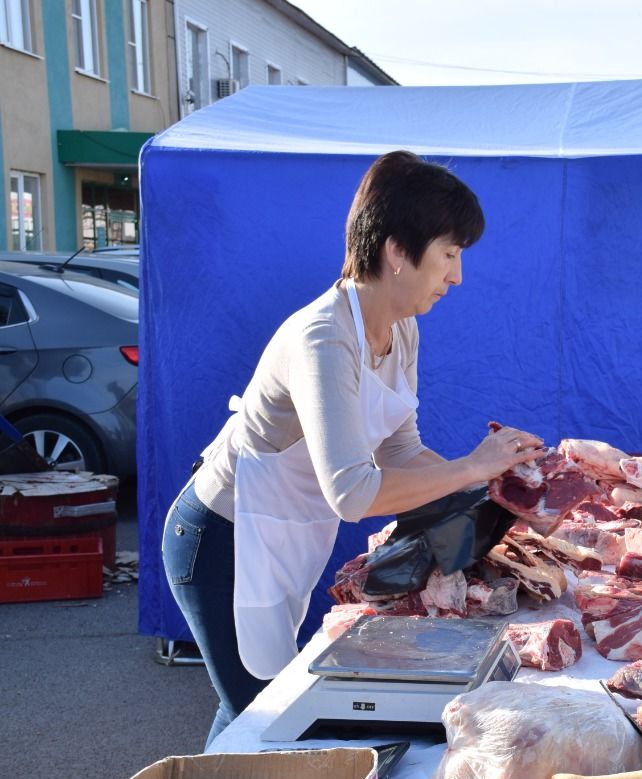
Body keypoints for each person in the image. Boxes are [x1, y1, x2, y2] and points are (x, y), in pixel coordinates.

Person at [162, 151, 544, 746]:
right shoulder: (322, 338)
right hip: (222, 537)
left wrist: (486, 485)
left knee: (254, 705)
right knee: (269, 720)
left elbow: (400, 451)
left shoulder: (401, 327)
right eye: (449, 254)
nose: (457, 276)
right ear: (396, 250)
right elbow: (352, 493)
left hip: (281, 532)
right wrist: (472, 466)